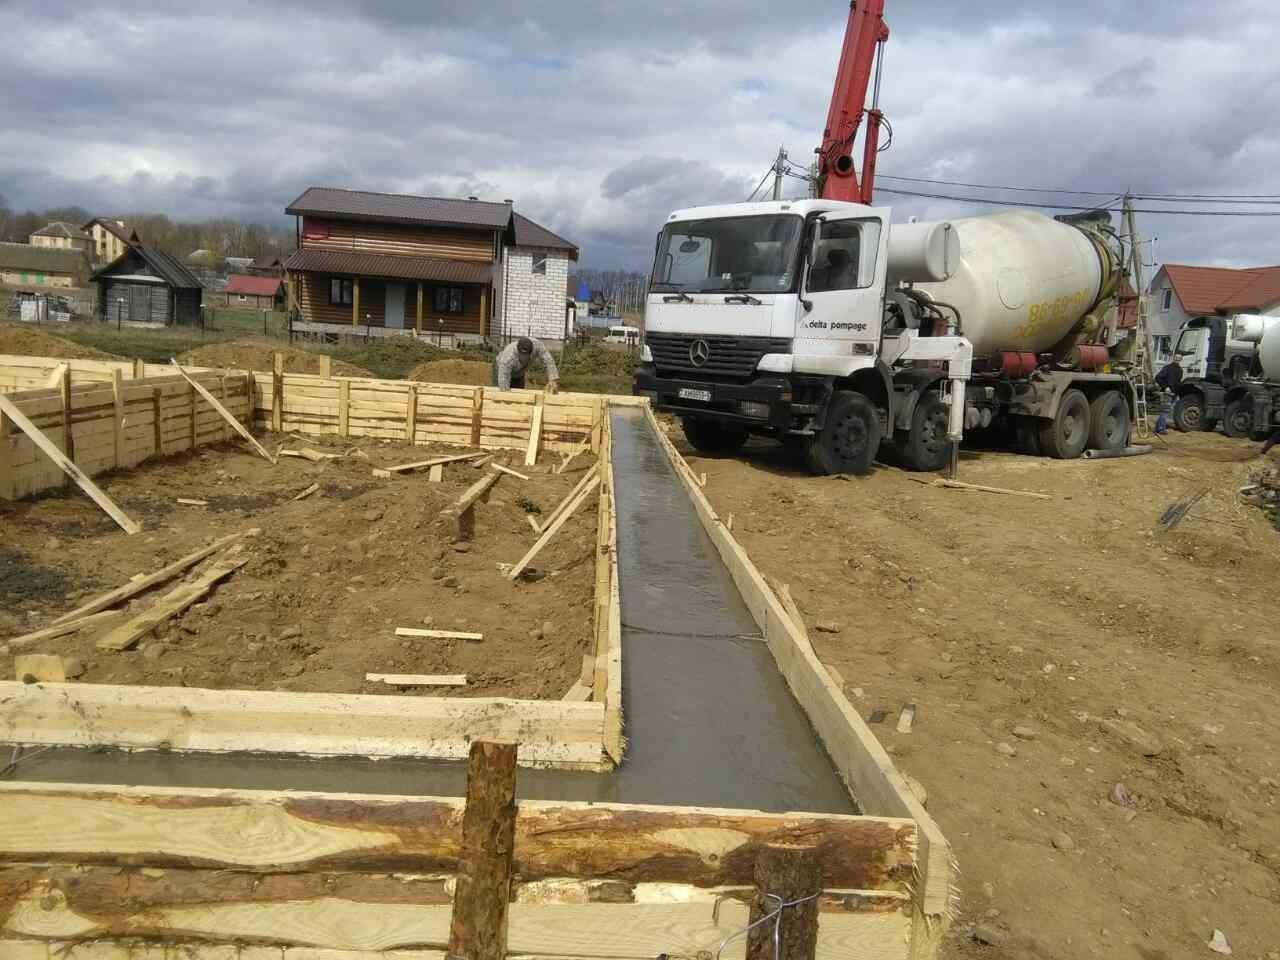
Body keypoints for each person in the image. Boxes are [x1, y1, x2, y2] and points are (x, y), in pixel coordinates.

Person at [492, 336, 560, 393]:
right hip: (499, 368)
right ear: (518, 351)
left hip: (519, 371)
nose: (523, 357)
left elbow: (548, 360)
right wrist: (507, 395)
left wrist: (553, 379)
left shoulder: (537, 346)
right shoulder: (508, 357)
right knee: (500, 394)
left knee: (519, 395)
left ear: (530, 352)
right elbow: (503, 381)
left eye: (526, 355)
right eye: (521, 354)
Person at [1152, 356, 1182, 434]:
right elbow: (1158, 378)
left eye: (1179, 358)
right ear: (1173, 358)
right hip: (1167, 393)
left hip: (1174, 394)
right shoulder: (1168, 368)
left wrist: (1178, 393)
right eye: (1176, 357)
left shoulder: (1180, 370)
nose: (1177, 359)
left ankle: (1157, 428)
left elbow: (1177, 382)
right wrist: (1165, 387)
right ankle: (1161, 429)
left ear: (1181, 359)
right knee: (1165, 411)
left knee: (1166, 412)